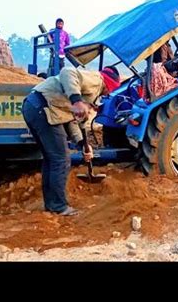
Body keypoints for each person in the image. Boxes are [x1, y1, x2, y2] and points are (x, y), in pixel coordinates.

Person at [22, 66, 121, 216]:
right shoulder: (96, 80)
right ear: (109, 86)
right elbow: (67, 71)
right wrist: (77, 101)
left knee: (52, 159)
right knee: (61, 159)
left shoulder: (91, 94)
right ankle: (59, 206)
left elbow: (72, 120)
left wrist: (83, 144)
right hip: (43, 108)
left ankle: (52, 204)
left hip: (35, 107)